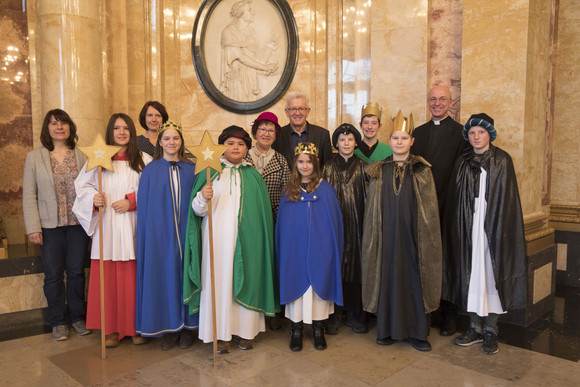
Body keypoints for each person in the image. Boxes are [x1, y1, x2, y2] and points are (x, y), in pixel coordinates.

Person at [184, 126, 278, 354]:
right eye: (230, 143)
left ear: (246, 148)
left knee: (248, 280)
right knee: (220, 284)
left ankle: (246, 333)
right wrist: (201, 197)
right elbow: (196, 213)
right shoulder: (209, 173)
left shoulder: (254, 176)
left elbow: (262, 215)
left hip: (248, 243)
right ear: (221, 146)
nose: (235, 148)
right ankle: (220, 334)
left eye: (240, 144)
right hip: (216, 245)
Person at [443, 113, 526, 355]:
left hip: (494, 226)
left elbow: (508, 200)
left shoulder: (502, 160)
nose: (476, 136)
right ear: (467, 136)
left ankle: (491, 329)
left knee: (490, 274)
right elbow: (456, 198)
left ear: (489, 134)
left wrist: (499, 228)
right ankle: (474, 327)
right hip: (468, 226)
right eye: (472, 133)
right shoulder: (462, 161)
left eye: (480, 132)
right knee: (471, 273)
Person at [362, 111, 442, 352]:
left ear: (412, 142)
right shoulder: (379, 169)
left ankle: (417, 333)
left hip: (414, 237)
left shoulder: (421, 170)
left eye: (404, 138)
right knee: (387, 278)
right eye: (395, 138)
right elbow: (372, 208)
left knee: (414, 280)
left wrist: (423, 238)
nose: (399, 142)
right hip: (386, 236)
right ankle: (386, 329)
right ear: (390, 141)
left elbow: (429, 211)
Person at [73, 113, 151, 347]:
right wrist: (92, 199)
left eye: (126, 128)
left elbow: (154, 191)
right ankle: (111, 329)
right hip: (106, 225)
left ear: (132, 132)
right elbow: (82, 188)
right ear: (110, 131)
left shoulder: (144, 159)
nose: (121, 132)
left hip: (132, 225)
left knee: (132, 278)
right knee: (107, 280)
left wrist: (132, 201)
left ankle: (135, 326)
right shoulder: (97, 160)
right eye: (117, 128)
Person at [23, 109, 91, 341]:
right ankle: (58, 322)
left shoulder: (81, 156)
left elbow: (90, 189)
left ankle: (77, 318)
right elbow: (29, 195)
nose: (59, 127)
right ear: (47, 128)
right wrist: (33, 226)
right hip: (49, 227)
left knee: (76, 273)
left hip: (77, 226)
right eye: (53, 123)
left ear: (70, 127)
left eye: (63, 123)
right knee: (53, 275)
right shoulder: (34, 157)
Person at [411, 85, 469, 336]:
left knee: (447, 261)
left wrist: (449, 202)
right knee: (424, 259)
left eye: (441, 99)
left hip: (448, 207)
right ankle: (427, 311)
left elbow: (462, 172)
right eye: (432, 99)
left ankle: (449, 316)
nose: (436, 103)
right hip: (421, 208)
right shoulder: (419, 132)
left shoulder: (461, 133)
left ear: (451, 102)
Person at [136, 121, 198, 350]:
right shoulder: (150, 171)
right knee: (166, 277)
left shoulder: (192, 169)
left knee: (186, 277)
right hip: (160, 237)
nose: (172, 142)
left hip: (186, 235)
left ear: (181, 142)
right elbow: (145, 209)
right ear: (160, 142)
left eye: (176, 138)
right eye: (167, 138)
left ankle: (188, 328)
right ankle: (169, 328)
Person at [276, 142, 344, 352]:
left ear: (316, 164)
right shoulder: (289, 191)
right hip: (294, 251)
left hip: (321, 250)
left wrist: (329, 249)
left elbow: (334, 224)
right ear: (295, 164)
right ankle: (295, 329)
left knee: (318, 289)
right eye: (301, 161)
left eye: (309, 162)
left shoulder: (326, 190)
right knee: (296, 285)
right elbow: (283, 227)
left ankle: (318, 329)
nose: (305, 166)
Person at [322, 124, 368, 333]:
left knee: (355, 267)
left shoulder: (365, 167)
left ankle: (354, 312)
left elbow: (370, 198)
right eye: (342, 140)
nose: (346, 143)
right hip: (334, 225)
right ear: (336, 143)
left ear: (356, 142)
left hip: (357, 224)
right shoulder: (327, 167)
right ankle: (334, 313)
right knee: (335, 265)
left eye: (350, 140)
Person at [220, 0, 278, 101]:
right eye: (249, 10)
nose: (253, 12)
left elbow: (255, 59)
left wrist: (270, 48)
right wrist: (265, 67)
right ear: (240, 13)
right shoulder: (229, 32)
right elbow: (242, 58)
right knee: (238, 111)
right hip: (237, 81)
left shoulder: (251, 33)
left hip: (252, 82)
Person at [243, 111, 291, 222]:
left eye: (271, 131)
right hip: (246, 216)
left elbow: (287, 192)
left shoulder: (281, 160)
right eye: (263, 129)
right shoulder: (243, 157)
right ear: (255, 132)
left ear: (275, 135)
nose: (266, 134)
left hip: (273, 218)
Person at [273, 91, 333, 168]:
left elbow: (327, 169)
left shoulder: (322, 135)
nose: (297, 113)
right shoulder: (277, 135)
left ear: (308, 111)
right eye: (293, 108)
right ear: (287, 112)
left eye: (301, 108)